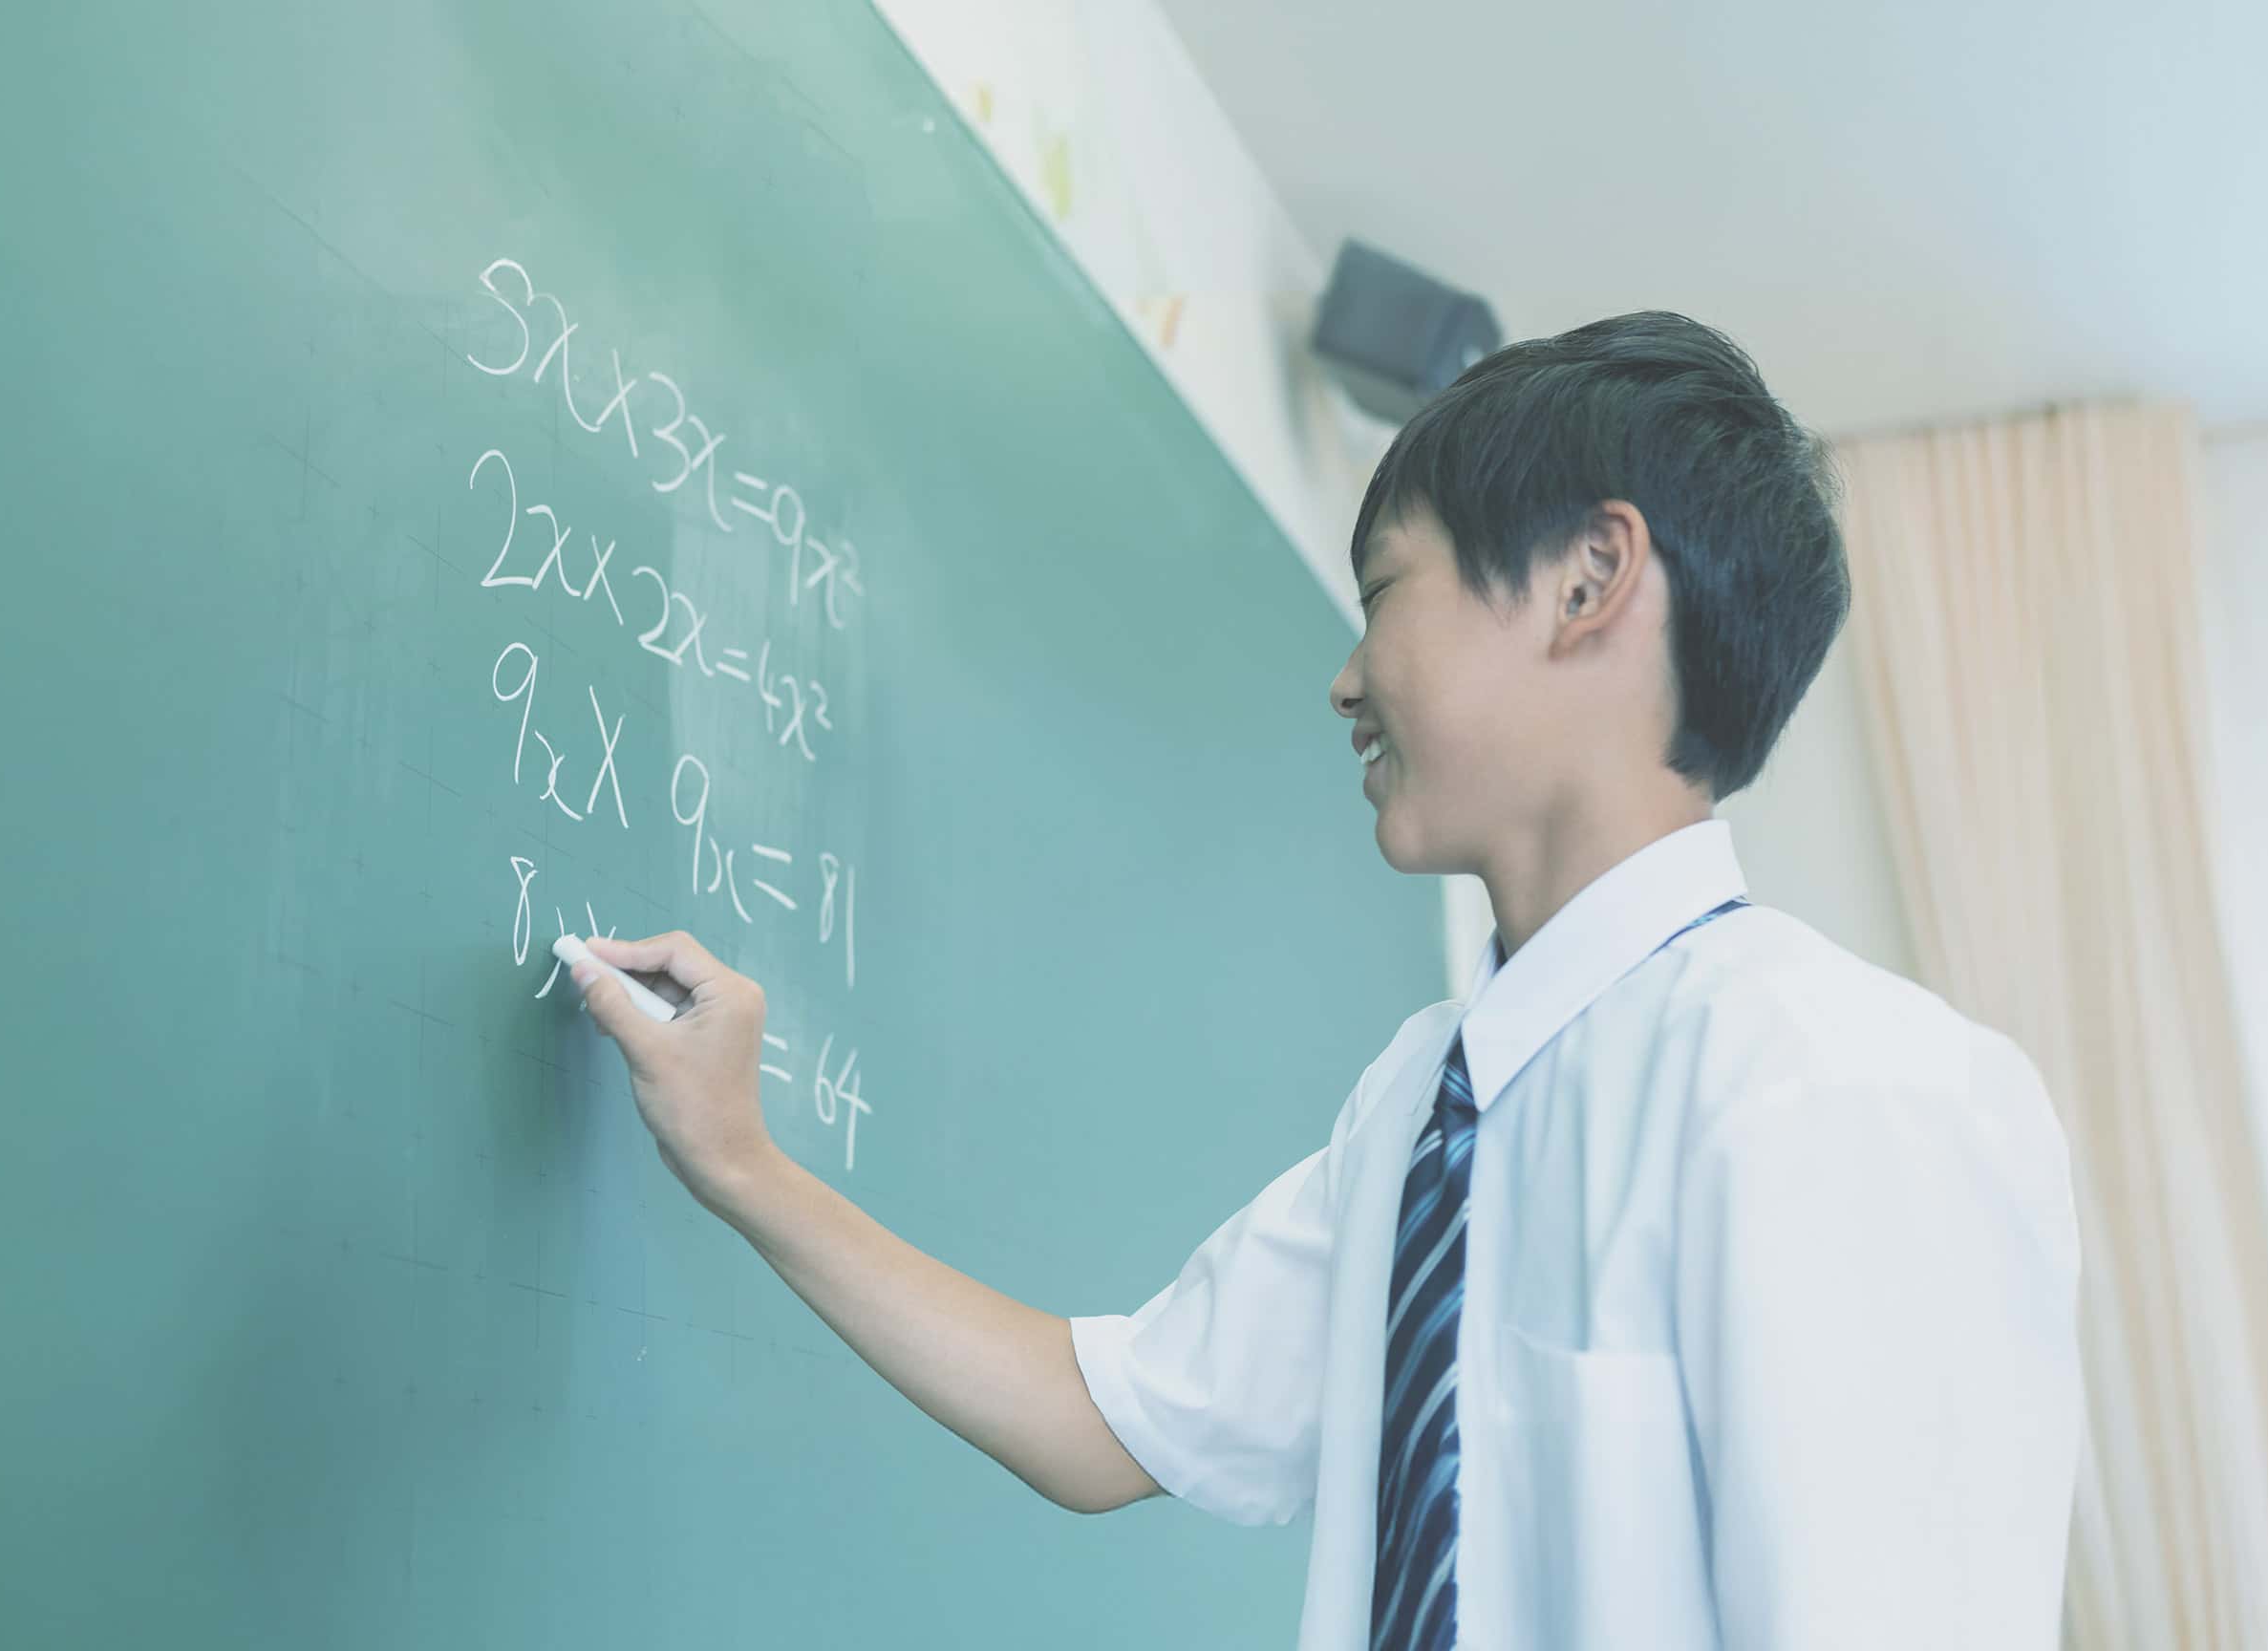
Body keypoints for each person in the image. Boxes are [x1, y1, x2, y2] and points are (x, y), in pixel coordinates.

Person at [567, 311, 2083, 1650]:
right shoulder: (1423, 1109)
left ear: (1588, 581)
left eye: (1385, 592)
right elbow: (1103, 1421)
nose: (1346, 678)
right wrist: (741, 1161)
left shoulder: (1841, 1087)